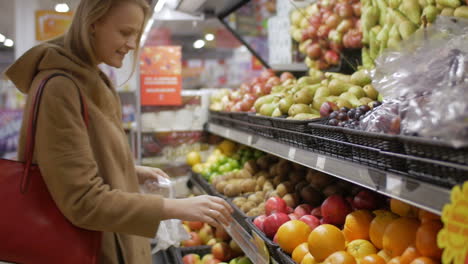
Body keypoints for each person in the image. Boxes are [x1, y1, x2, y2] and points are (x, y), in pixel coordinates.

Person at [4, 0, 233, 263]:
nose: (132, 44)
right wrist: (175, 207)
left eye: (136, 34)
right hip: (91, 249)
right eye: (125, 32)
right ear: (92, 25)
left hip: (107, 238)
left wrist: (127, 170)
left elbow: (73, 163)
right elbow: (82, 200)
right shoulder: (60, 88)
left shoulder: (88, 77)